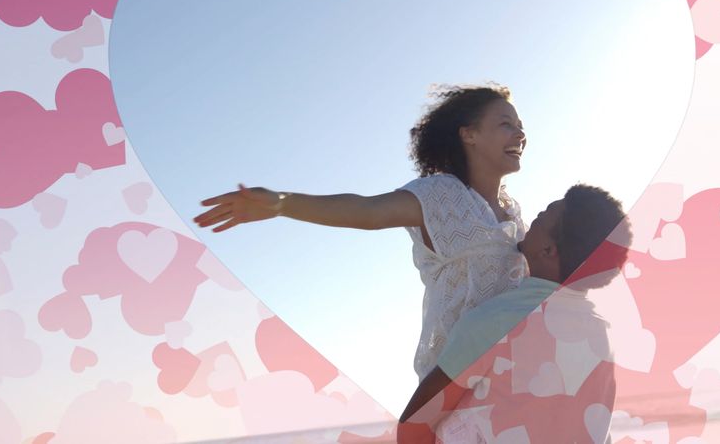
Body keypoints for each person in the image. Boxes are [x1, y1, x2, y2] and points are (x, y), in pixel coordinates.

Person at [193, 84, 530, 378]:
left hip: (517, 375)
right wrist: (282, 203)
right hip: (455, 384)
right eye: (506, 124)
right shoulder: (441, 195)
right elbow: (365, 211)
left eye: (520, 126)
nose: (520, 134)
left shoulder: (515, 214)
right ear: (468, 134)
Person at [397, 184, 632, 443]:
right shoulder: (604, 338)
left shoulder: (499, 321)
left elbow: (414, 426)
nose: (532, 220)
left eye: (542, 217)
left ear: (547, 250)